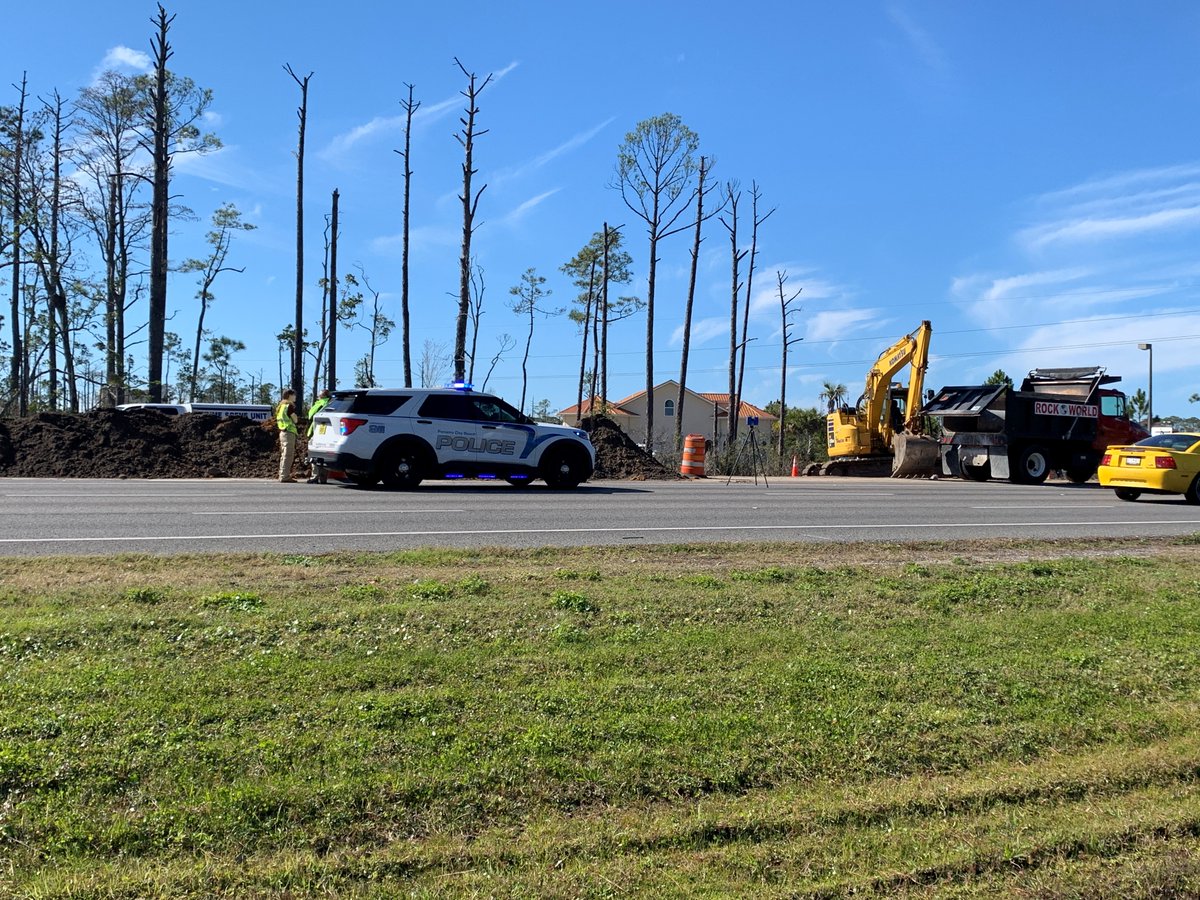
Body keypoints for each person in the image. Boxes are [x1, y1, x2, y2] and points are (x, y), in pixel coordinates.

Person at [306, 389, 332, 484]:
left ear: (320, 396)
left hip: (317, 432)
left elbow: (310, 416)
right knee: (324, 456)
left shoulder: (319, 404)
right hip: (328, 433)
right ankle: (323, 478)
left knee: (315, 454)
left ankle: (315, 476)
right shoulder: (333, 404)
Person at [275, 389, 299, 483]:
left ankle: (282, 474)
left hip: (282, 431)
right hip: (288, 431)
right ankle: (285, 476)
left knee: (284, 455)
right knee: (288, 455)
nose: (295, 396)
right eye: (294, 395)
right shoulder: (289, 406)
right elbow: (295, 420)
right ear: (289, 395)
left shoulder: (281, 406)